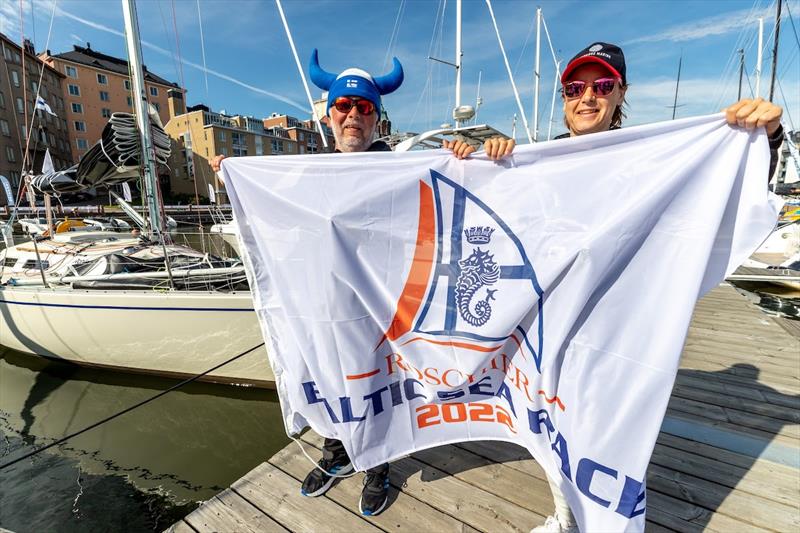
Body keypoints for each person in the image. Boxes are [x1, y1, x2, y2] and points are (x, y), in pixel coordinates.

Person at [444, 42, 784, 533]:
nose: (588, 97)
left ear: (620, 93)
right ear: (563, 97)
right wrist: (472, 161)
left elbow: (723, 199)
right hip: (550, 327)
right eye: (575, 88)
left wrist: (765, 138)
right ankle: (565, 516)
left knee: (610, 438)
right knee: (553, 428)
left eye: (602, 86)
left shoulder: (653, 159)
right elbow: (490, 216)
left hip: (618, 326)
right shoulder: (536, 160)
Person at [210, 49, 517, 517]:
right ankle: (336, 454)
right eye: (344, 107)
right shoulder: (309, 171)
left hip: (382, 302)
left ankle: (378, 465)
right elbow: (278, 217)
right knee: (331, 374)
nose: (354, 115)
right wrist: (234, 174)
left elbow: (449, 201)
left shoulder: (400, 166)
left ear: (377, 117)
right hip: (327, 301)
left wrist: (468, 157)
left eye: (365, 108)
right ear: (329, 114)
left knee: (380, 379)